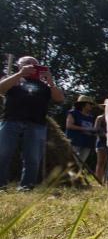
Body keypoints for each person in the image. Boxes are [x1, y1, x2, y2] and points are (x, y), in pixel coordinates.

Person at [0, 56, 65, 190]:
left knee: (33, 158)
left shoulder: (45, 86)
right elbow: (1, 88)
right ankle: (1, 185)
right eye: (28, 63)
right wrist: (20, 74)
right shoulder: (13, 79)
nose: (32, 66)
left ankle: (26, 187)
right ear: (19, 65)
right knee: (3, 154)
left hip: (36, 124)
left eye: (35, 64)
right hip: (11, 121)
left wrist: (51, 82)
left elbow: (60, 99)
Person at [65, 94, 98, 166]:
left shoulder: (91, 117)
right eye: (90, 104)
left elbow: (91, 130)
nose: (91, 106)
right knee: (71, 163)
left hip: (87, 143)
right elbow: (69, 125)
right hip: (74, 141)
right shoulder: (73, 113)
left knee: (81, 164)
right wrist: (85, 128)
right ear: (83, 104)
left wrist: (94, 133)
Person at [93, 111, 108, 184]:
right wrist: (104, 134)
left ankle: (106, 181)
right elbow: (96, 129)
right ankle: (98, 181)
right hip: (101, 142)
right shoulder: (100, 118)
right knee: (100, 162)